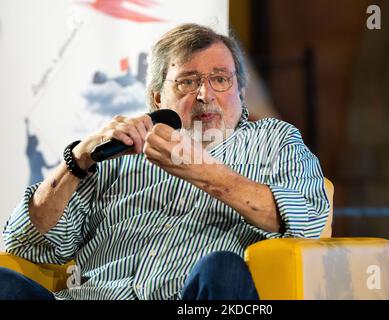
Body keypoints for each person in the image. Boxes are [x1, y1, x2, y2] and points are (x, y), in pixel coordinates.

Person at [1, 23, 330, 300]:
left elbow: (309, 219)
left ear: (241, 93)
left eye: (220, 79)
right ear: (157, 98)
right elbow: (24, 245)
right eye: (188, 81)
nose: (204, 95)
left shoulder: (273, 140)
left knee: (223, 269)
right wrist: (79, 158)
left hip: (190, 299)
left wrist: (200, 170)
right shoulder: (118, 154)